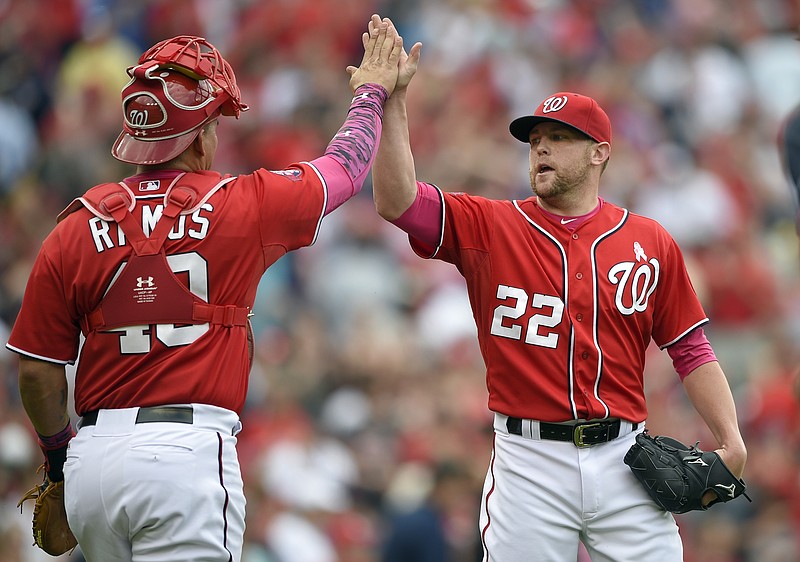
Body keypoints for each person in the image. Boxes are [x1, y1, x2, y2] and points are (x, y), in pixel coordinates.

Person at [7, 22, 403, 562]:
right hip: (184, 456)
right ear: (197, 134)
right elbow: (346, 168)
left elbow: (35, 368)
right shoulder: (243, 203)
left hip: (93, 464)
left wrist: (57, 460)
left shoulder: (77, 223)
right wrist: (371, 93)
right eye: (214, 123)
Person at [367, 14, 748, 561]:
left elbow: (690, 349)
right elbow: (397, 202)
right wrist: (393, 102)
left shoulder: (648, 241)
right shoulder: (492, 225)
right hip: (528, 461)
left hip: (625, 458)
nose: (541, 148)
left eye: (559, 139)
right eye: (536, 140)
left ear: (600, 152)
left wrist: (730, 437)